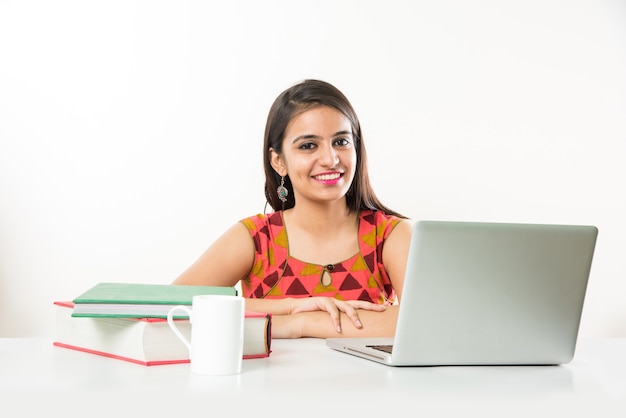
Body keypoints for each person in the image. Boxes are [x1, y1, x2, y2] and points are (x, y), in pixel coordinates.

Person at [173, 79, 412, 339]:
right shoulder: (255, 238)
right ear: (278, 161)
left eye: (341, 142)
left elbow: (426, 322)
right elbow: (167, 309)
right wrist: (291, 307)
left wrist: (302, 324)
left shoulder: (392, 235)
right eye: (308, 145)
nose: (330, 159)